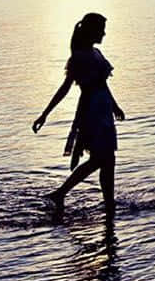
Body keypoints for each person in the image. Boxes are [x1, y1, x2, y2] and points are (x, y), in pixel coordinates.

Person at [32, 12, 124, 215]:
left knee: (108, 160)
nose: (104, 34)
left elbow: (103, 85)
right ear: (92, 31)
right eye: (101, 30)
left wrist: (115, 106)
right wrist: (44, 114)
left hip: (104, 111)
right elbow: (65, 88)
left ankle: (109, 203)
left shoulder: (96, 53)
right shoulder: (80, 57)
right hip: (91, 112)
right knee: (100, 159)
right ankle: (61, 193)